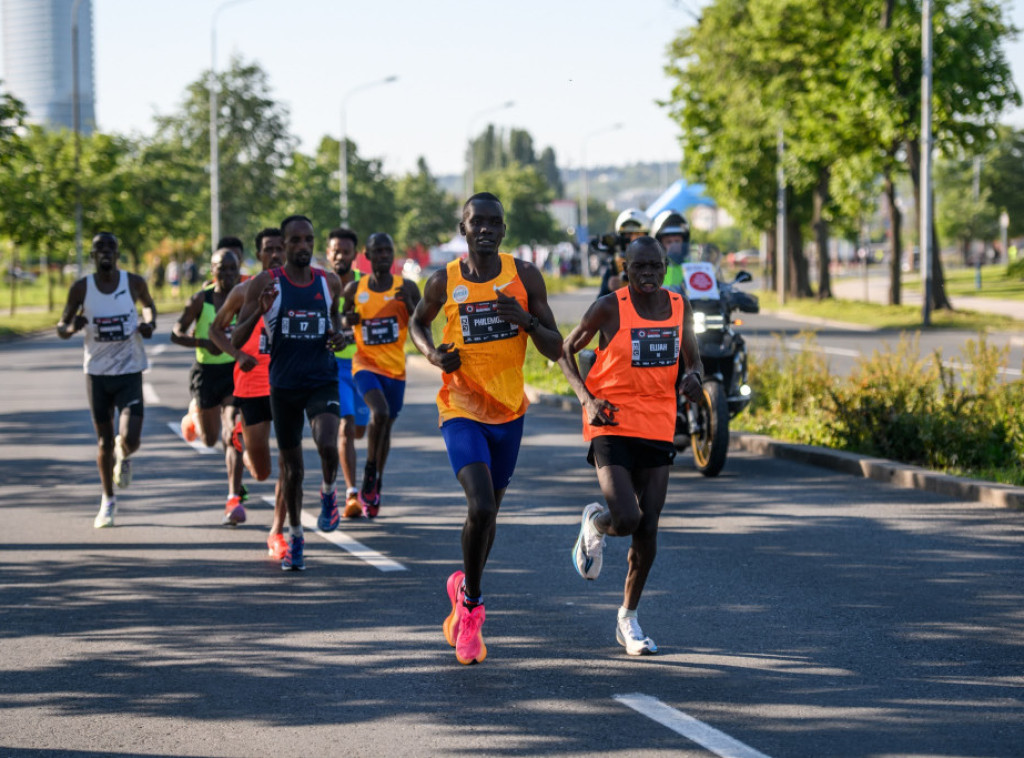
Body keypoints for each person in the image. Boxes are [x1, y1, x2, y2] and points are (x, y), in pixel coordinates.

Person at [410, 192, 562, 665]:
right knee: (478, 503)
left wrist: (527, 320)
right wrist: (433, 354)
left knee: (489, 514)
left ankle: (464, 587)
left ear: (503, 229)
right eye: (478, 222)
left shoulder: (524, 277)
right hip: (460, 407)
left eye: (495, 222)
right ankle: (473, 607)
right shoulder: (445, 281)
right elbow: (417, 323)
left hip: (509, 412)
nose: (487, 230)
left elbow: (555, 347)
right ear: (464, 227)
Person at [558, 236, 703, 656]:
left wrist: (693, 376)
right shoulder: (608, 307)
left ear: (665, 266)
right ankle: (597, 525)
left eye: (655, 267)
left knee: (649, 525)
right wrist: (587, 400)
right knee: (626, 516)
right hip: (611, 420)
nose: (648, 275)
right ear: (625, 268)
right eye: (639, 267)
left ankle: (628, 618)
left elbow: (692, 358)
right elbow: (565, 351)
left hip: (657, 423)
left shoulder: (679, 306)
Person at [232, 214, 347, 571]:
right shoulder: (267, 284)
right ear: (282, 246)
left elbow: (335, 321)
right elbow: (237, 338)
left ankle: (329, 493)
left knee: (328, 442)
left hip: (321, 378)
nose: (302, 247)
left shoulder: (328, 282)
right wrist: (259, 314)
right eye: (294, 241)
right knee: (292, 470)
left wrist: (338, 335)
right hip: (282, 387)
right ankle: (296, 536)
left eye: (308, 240)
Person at [56, 232, 156, 528]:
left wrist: (149, 322)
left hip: (129, 369)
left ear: (117, 253)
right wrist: (72, 326)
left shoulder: (134, 282)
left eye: (111, 247)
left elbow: (149, 306)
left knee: (131, 438)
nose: (106, 252)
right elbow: (61, 326)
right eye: (99, 248)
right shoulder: (81, 288)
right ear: (92, 255)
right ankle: (108, 501)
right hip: (97, 374)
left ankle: (123, 453)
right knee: (103, 441)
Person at [208, 228, 289, 558]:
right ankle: (241, 437)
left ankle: (278, 532)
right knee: (260, 472)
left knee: (290, 461)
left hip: (287, 383)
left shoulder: (300, 289)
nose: (275, 254)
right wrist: (238, 354)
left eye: (279, 248)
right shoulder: (243, 290)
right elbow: (216, 329)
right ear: (259, 255)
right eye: (268, 249)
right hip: (252, 385)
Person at [342, 232, 421, 517]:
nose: (384, 256)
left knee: (385, 426)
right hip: (365, 364)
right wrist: (345, 320)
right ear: (368, 254)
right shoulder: (355, 288)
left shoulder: (407, 287)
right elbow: (340, 317)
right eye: (378, 251)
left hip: (396, 370)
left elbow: (422, 324)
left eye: (388, 251)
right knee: (380, 413)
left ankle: (376, 481)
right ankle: (369, 471)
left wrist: (410, 306)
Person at [170, 248, 244, 525]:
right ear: (211, 271)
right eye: (220, 269)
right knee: (211, 440)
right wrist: (204, 343)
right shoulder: (201, 300)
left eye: (231, 269)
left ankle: (234, 498)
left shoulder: (244, 296)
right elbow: (176, 334)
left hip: (234, 372)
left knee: (233, 430)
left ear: (238, 270)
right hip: (206, 373)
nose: (226, 274)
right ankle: (194, 418)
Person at [325, 227, 369, 519]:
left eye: (346, 251)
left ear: (355, 255)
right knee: (346, 426)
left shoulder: (365, 285)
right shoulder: (320, 285)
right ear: (328, 253)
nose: (340, 256)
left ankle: (355, 484)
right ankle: (353, 493)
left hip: (365, 365)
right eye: (335, 251)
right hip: (333, 367)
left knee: (360, 428)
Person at [599, 208, 650, 296]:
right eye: (628, 235)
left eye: (637, 235)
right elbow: (599, 305)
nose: (631, 240)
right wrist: (609, 289)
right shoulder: (614, 264)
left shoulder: (655, 263)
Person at [650, 209, 691, 292]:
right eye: (669, 242)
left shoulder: (692, 266)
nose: (674, 245)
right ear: (659, 244)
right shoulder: (651, 268)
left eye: (677, 241)